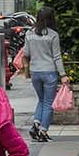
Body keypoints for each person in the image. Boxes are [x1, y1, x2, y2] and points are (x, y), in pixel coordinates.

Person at [21, 8, 65, 145]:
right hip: (49, 71)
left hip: (35, 71)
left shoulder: (29, 33)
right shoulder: (53, 35)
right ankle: (43, 131)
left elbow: (26, 53)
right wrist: (63, 74)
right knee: (48, 103)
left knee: (41, 100)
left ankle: (36, 124)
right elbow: (57, 57)